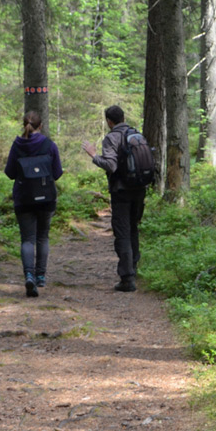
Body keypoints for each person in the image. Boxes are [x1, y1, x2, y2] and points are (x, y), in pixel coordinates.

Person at [82, 105, 145, 292]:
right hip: (140, 189)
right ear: (123, 117)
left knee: (123, 232)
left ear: (109, 121)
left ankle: (127, 278)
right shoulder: (136, 134)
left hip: (121, 191)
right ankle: (132, 268)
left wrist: (94, 155)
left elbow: (111, 165)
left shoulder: (111, 138)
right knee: (133, 228)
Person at [4, 111, 63, 297]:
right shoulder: (49, 145)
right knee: (43, 237)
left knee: (27, 239)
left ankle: (28, 274)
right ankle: (41, 277)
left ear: (24, 125)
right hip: (46, 198)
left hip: (23, 198)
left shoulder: (17, 145)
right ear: (41, 125)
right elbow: (57, 172)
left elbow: (10, 173)